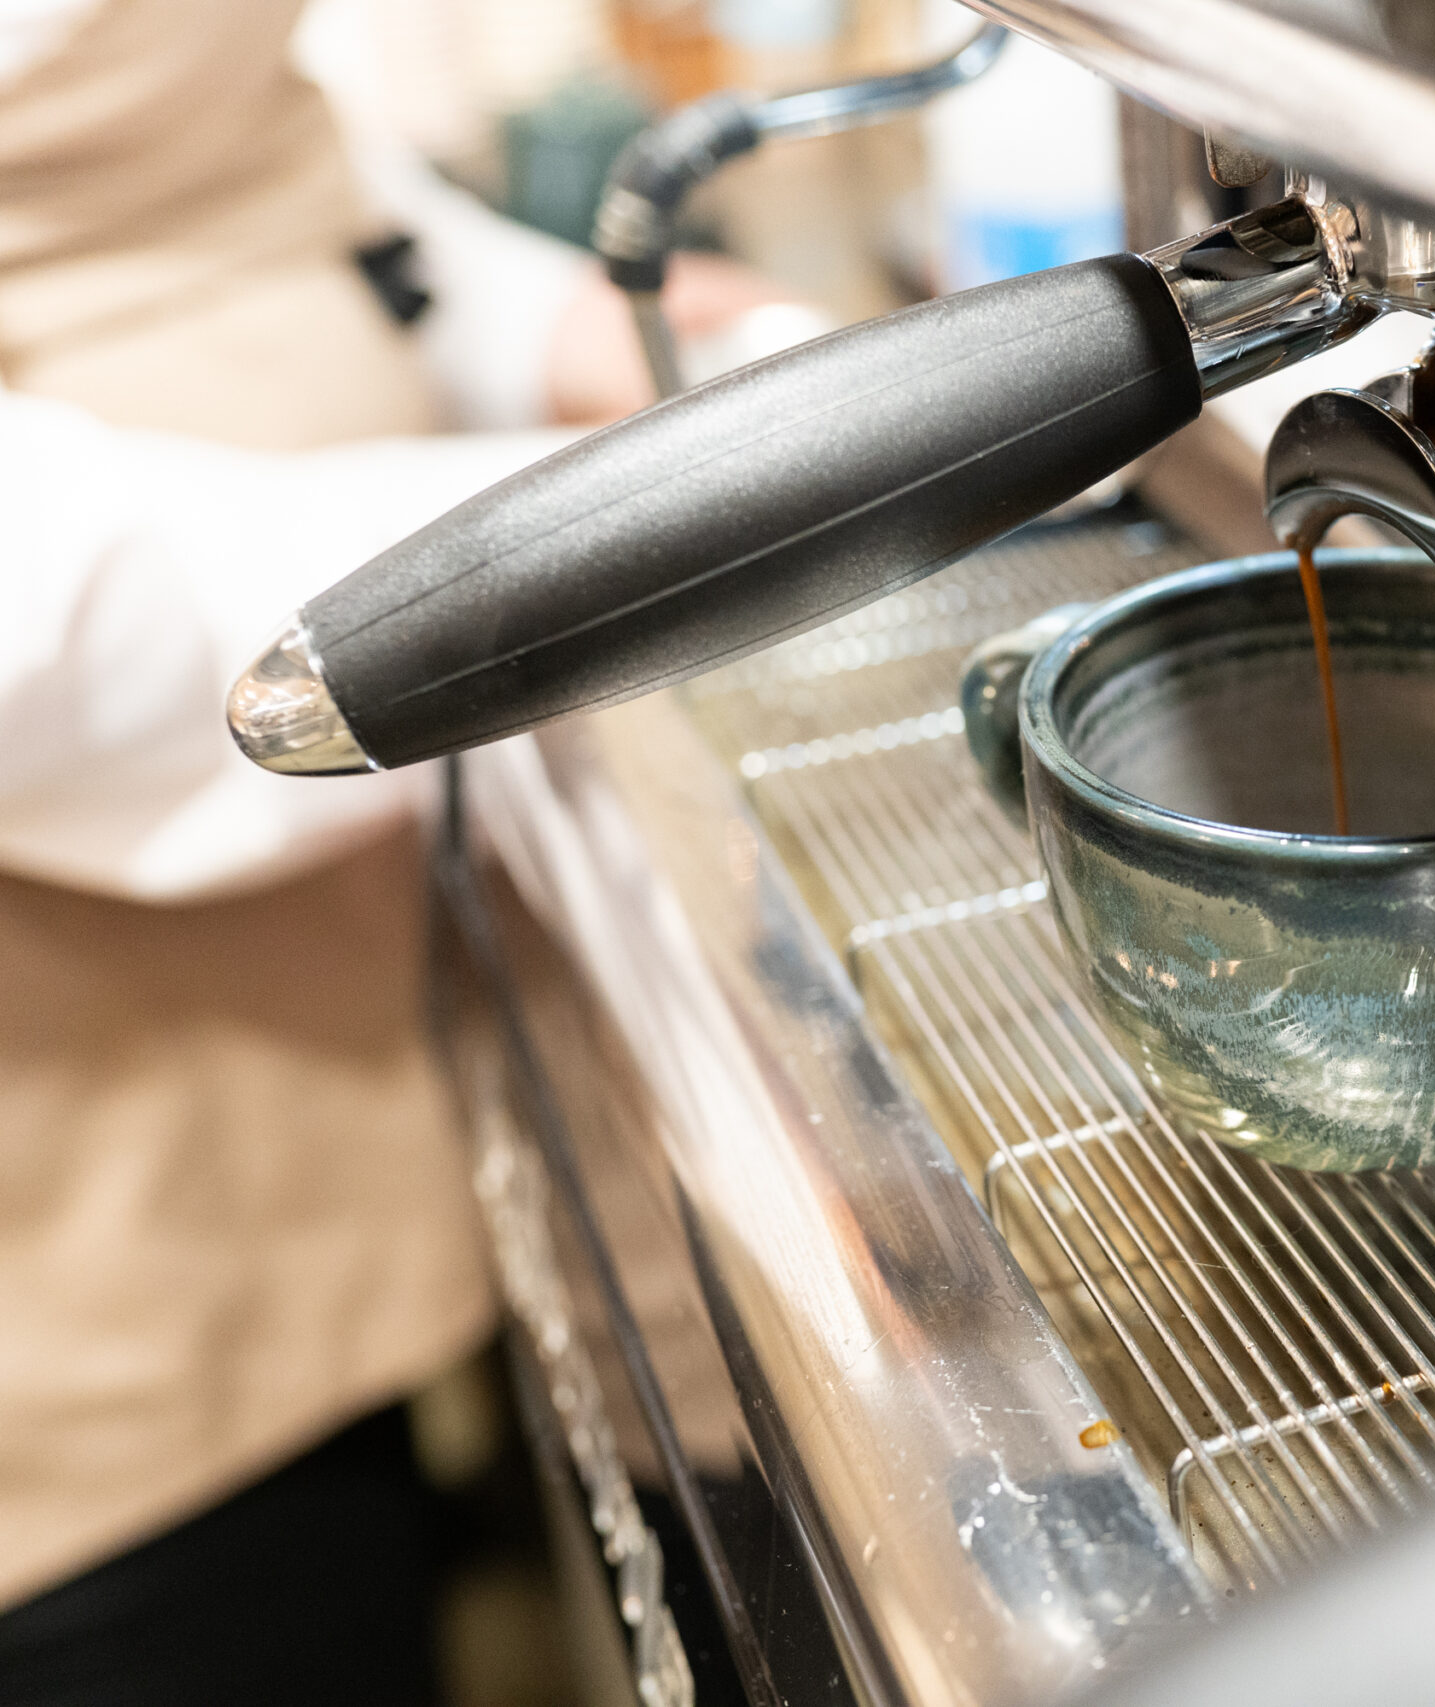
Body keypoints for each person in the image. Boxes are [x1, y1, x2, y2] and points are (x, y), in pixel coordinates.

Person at [0, 1, 799, 1698]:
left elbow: (224, 170)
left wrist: (557, 331)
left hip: (307, 1071)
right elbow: (49, 629)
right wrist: (665, 509)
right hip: (79, 1272)